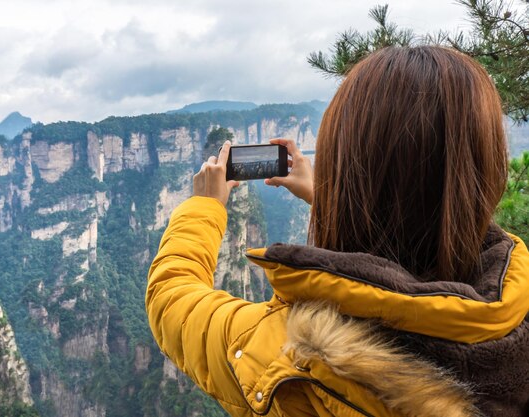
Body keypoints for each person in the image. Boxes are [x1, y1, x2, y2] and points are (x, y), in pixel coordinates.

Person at [145, 46, 529, 417]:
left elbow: (171, 296)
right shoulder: (513, 318)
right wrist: (325, 197)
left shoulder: (290, 354)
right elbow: (419, 224)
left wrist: (204, 205)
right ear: (489, 172)